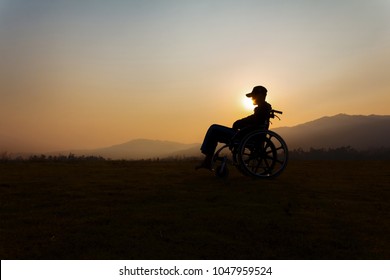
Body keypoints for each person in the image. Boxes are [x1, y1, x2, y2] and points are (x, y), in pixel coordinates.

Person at [196, 85, 272, 170]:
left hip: (244, 136)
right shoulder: (263, 109)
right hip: (247, 135)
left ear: (260, 96)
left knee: (214, 128)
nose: (252, 98)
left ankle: (207, 160)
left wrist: (238, 123)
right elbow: (253, 121)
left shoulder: (262, 109)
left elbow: (253, 122)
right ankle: (207, 161)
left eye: (253, 96)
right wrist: (240, 123)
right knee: (214, 134)